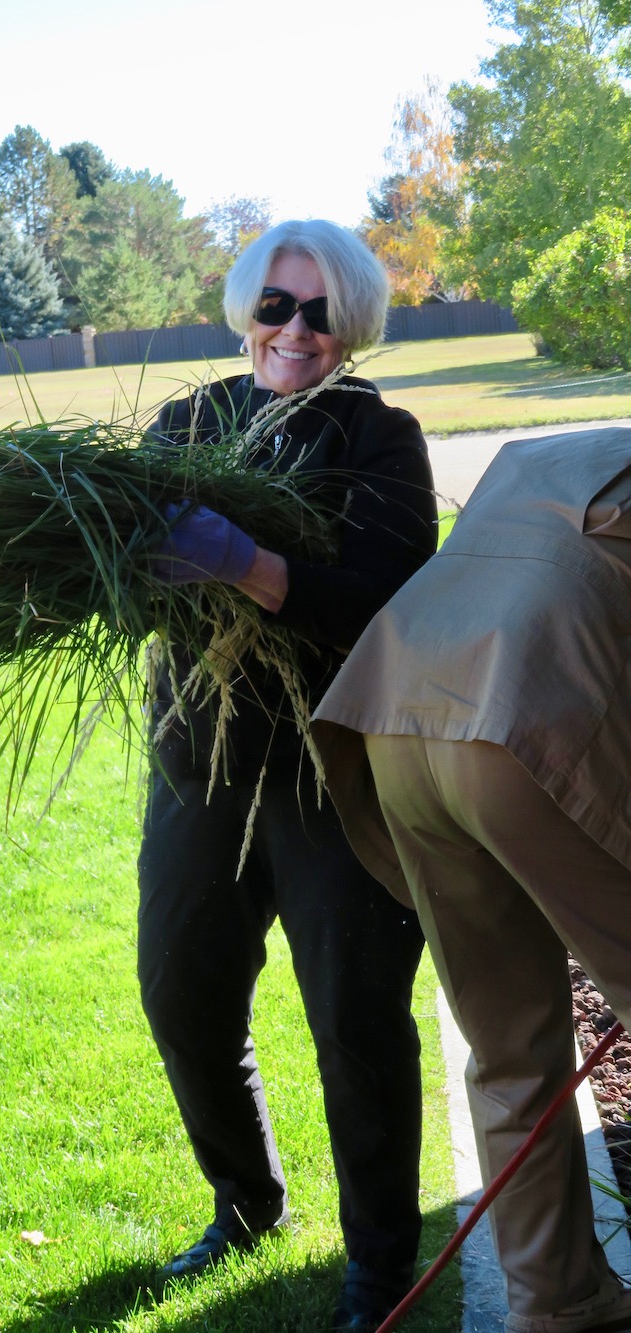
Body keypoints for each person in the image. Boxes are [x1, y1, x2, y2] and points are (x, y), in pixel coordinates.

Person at [138, 219, 437, 1331]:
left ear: (350, 325)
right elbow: (122, 571)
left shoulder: (379, 438)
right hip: (200, 760)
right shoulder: (188, 425)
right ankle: (246, 1203)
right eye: (276, 305)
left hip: (333, 770)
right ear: (246, 311)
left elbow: (384, 591)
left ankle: (379, 1266)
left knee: (356, 1018)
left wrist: (252, 567)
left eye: (320, 311)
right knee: (182, 995)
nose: (295, 330)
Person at [311, 426, 631, 1333]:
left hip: (399, 716)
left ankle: (558, 1301)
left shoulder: (562, 453)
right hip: (521, 718)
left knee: (508, 1044)